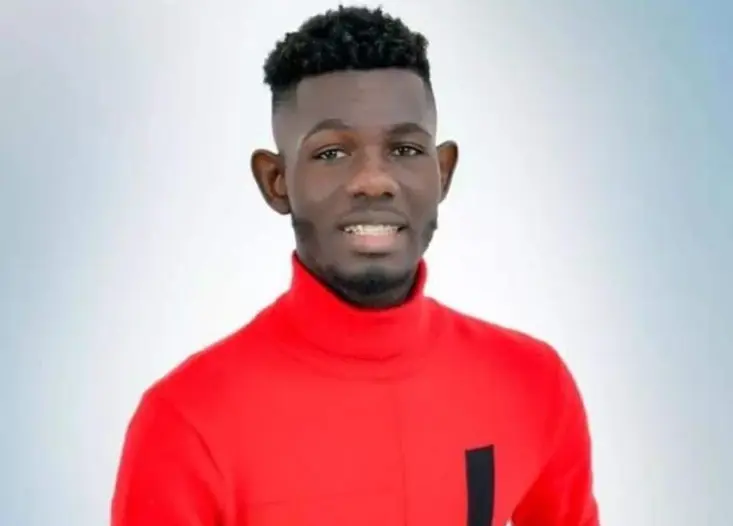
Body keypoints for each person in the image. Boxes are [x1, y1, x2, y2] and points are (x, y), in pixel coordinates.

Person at [111, 6, 600, 526]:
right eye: (331, 153)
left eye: (405, 148)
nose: (373, 181)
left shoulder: (533, 385)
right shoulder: (187, 424)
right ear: (275, 181)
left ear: (443, 172)